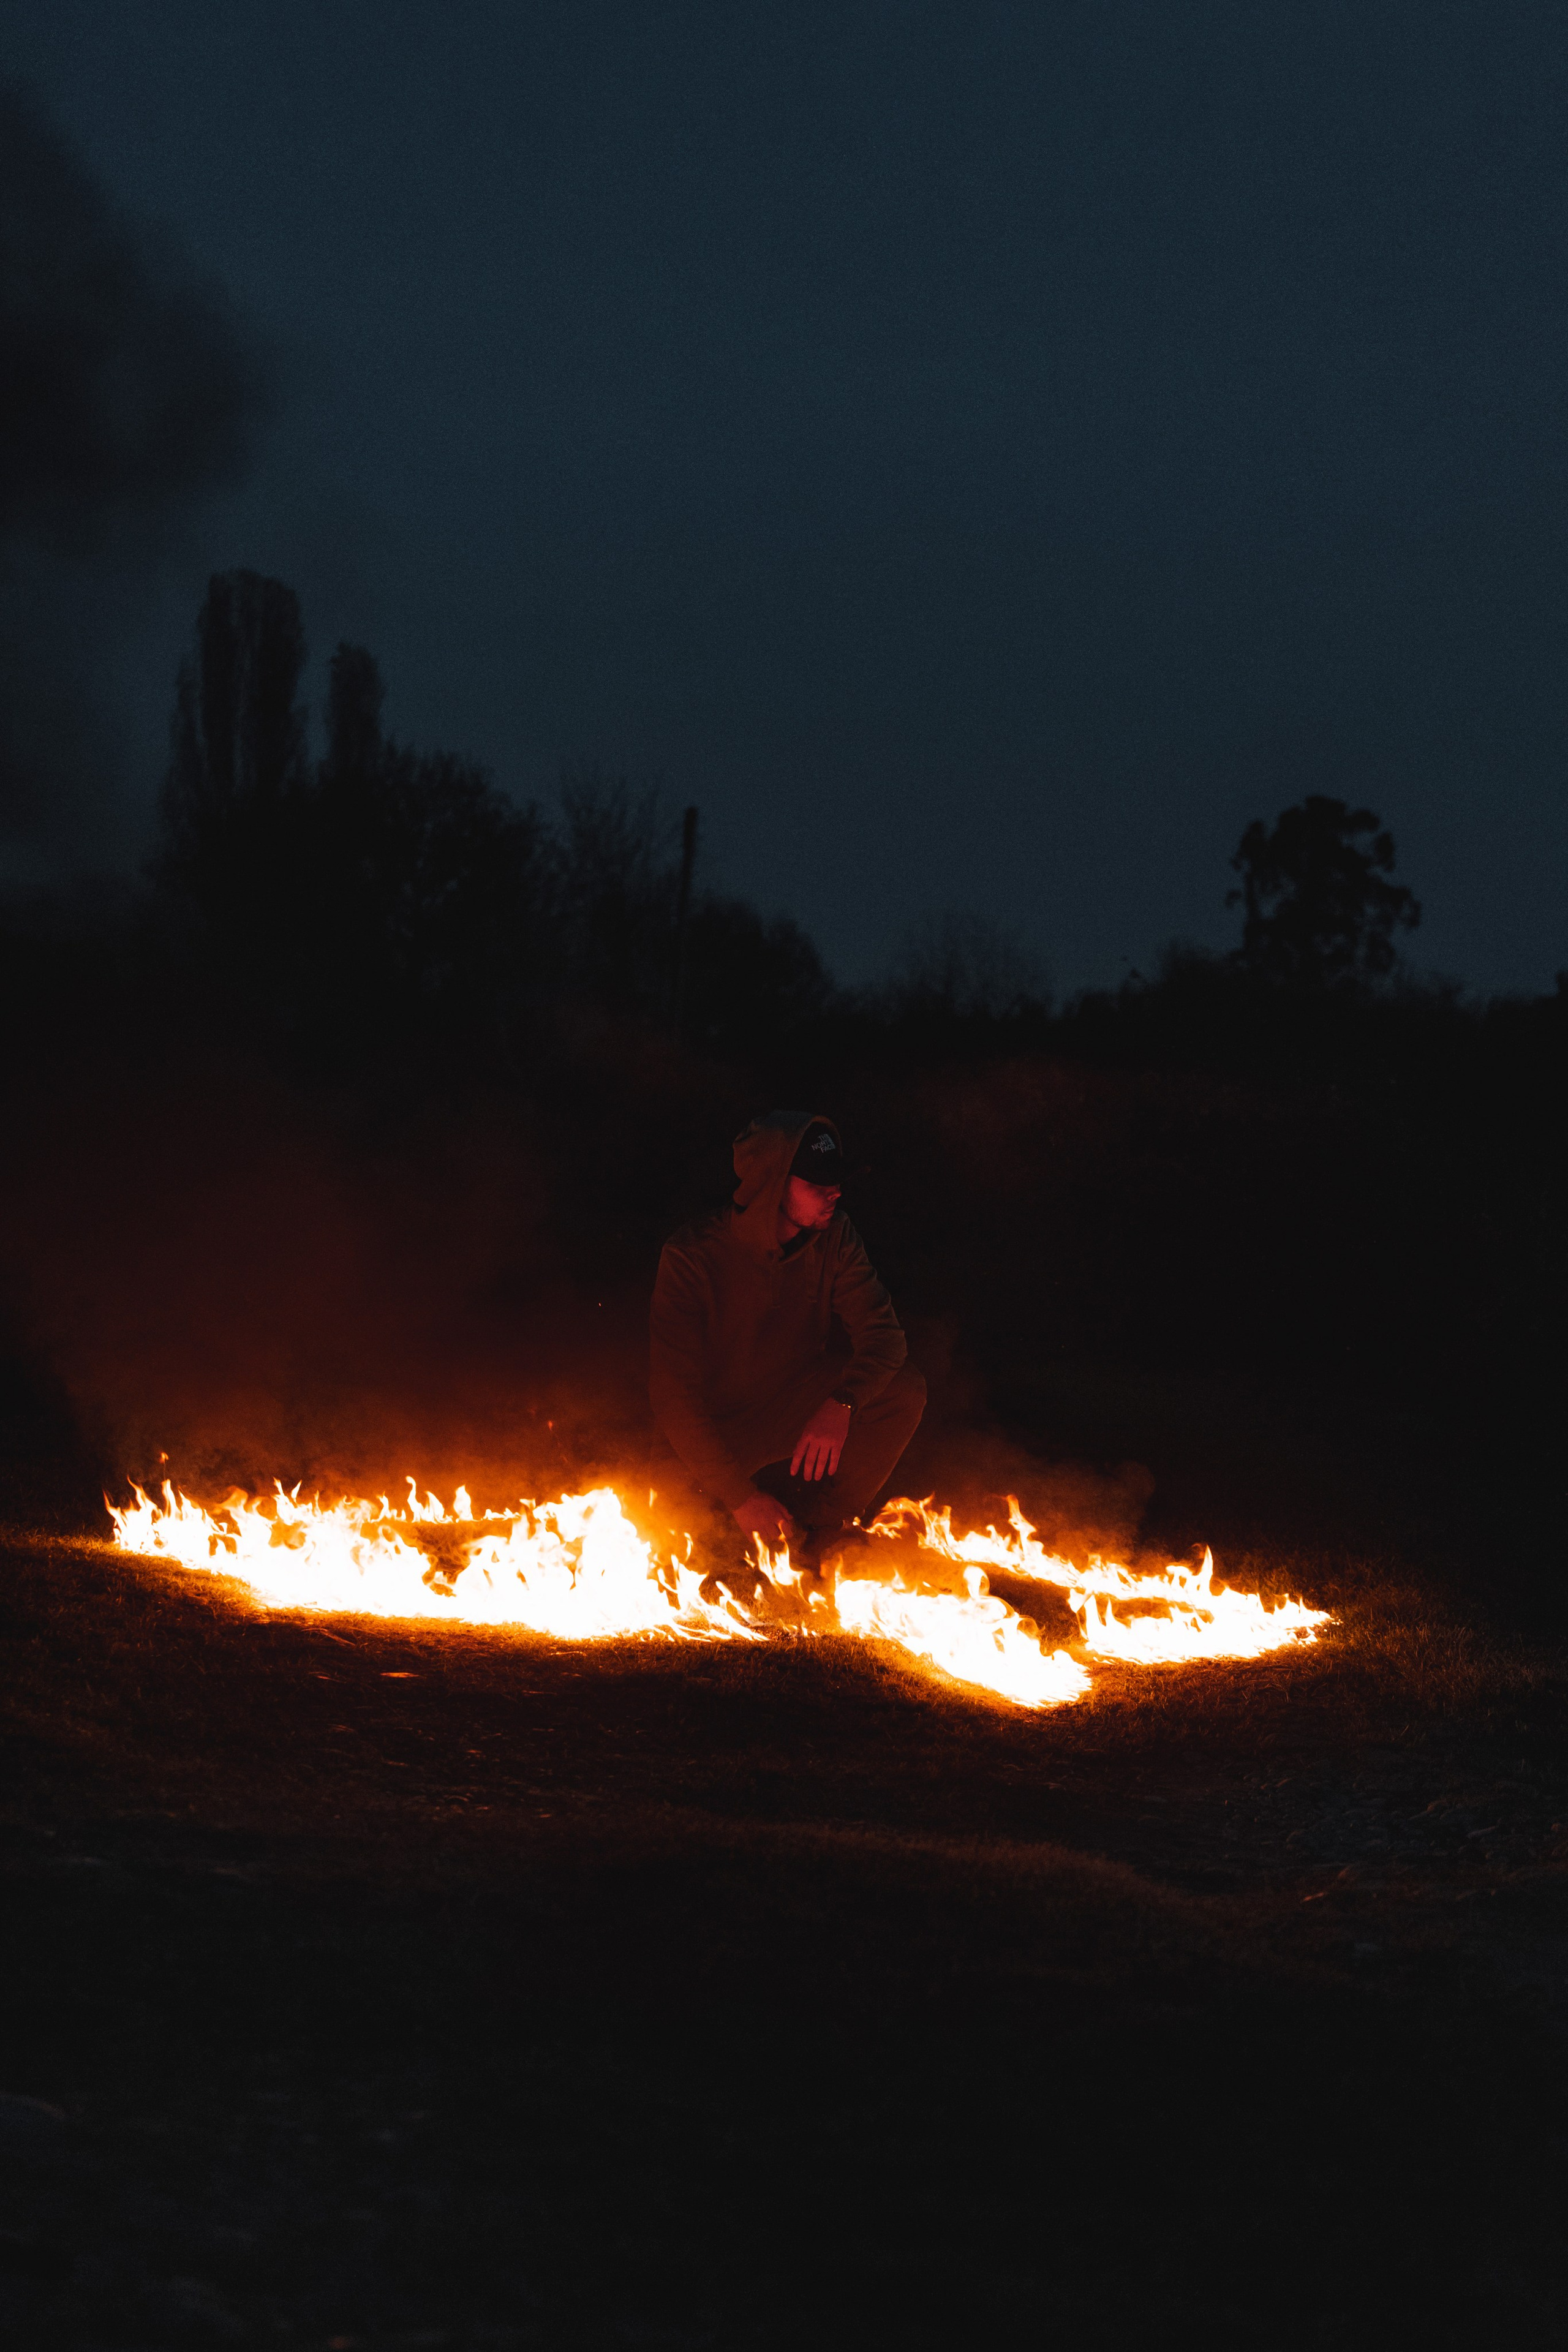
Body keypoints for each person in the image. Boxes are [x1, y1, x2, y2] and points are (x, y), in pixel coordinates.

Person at [649, 1109, 926, 1561]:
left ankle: (821, 1533)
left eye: (835, 1180)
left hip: (784, 1406)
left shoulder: (835, 1236)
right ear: (771, 1184)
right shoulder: (692, 1257)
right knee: (688, 1539)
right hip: (706, 1433)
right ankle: (730, 1518)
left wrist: (844, 1402)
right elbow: (672, 1396)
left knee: (902, 1387)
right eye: (816, 1184)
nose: (834, 1192)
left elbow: (886, 1338)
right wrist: (740, 1496)